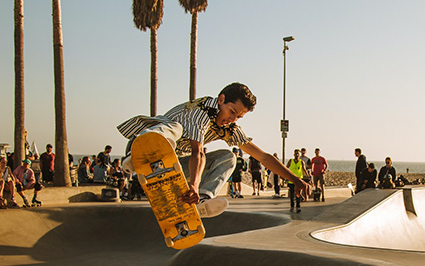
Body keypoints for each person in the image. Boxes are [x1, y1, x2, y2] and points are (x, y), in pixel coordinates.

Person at [118, 82, 309, 217]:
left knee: (229, 158)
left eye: (238, 117)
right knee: (175, 128)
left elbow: (263, 157)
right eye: (232, 111)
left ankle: (201, 201)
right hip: (141, 146)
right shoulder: (201, 111)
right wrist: (193, 183)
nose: (232, 119)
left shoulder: (229, 129)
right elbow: (198, 153)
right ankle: (138, 157)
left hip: (172, 166)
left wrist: (296, 180)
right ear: (221, 100)